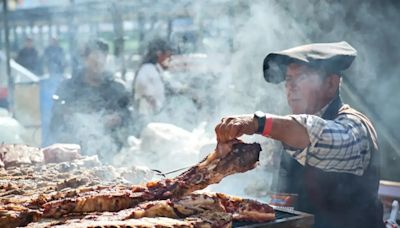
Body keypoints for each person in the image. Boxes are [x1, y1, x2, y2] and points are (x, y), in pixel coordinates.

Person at [214, 41, 384, 228]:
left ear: (331, 83)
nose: (291, 87)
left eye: (301, 78)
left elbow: (316, 135)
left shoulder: (354, 127)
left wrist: (258, 123)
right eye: (288, 80)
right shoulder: (288, 130)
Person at [48, 38, 131, 161]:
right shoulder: (69, 87)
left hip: (112, 152)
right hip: (76, 154)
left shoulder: (117, 88)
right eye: (95, 61)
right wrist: (67, 119)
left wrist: (119, 118)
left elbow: (130, 114)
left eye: (102, 61)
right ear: (85, 59)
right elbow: (55, 121)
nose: (99, 65)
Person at [133, 38, 173, 116]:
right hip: (147, 117)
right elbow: (145, 92)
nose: (170, 59)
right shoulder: (147, 69)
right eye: (168, 55)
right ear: (159, 54)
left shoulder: (156, 71)